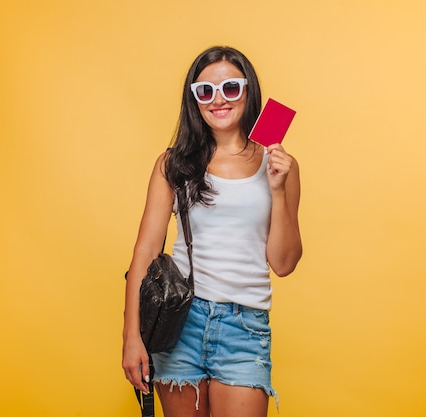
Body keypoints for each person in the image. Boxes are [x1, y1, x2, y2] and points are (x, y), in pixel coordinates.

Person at [122, 46, 302, 417]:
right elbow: (146, 250)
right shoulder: (173, 164)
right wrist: (132, 336)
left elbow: (283, 263)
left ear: (249, 90)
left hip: (244, 326)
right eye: (205, 91)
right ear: (194, 101)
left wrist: (279, 190)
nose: (218, 99)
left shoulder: (278, 163)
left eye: (231, 88)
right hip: (180, 322)